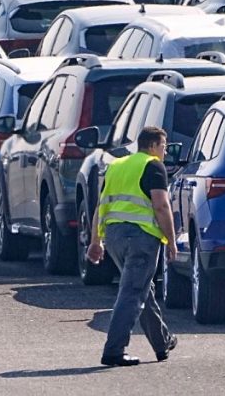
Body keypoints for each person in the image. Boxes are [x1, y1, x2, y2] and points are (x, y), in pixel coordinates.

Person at [87, 126, 178, 367]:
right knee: (131, 293)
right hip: (142, 238)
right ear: (152, 146)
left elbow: (100, 207)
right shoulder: (153, 165)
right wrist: (170, 240)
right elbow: (161, 206)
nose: (165, 153)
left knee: (140, 290)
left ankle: (162, 343)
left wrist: (95, 240)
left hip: (115, 236)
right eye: (164, 147)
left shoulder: (116, 166)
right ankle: (113, 351)